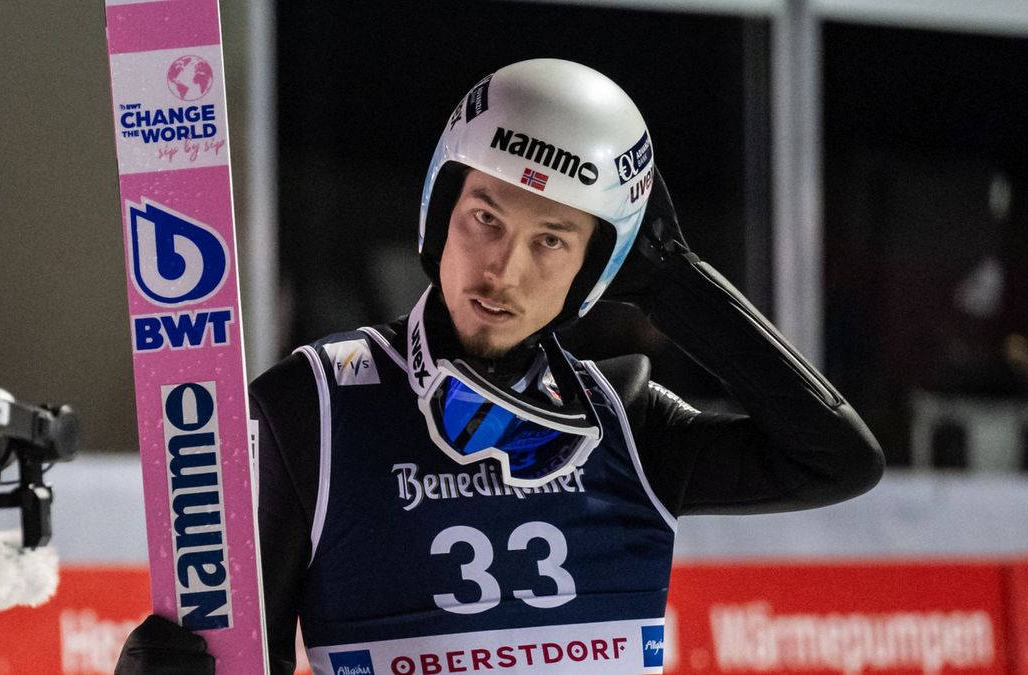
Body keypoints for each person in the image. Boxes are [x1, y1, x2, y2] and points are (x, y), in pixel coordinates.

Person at [118, 58, 883, 675]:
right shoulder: (309, 409)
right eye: (485, 218)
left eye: (552, 240)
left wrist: (676, 283)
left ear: (597, 268)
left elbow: (838, 460)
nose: (503, 272)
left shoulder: (625, 420)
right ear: (439, 211)